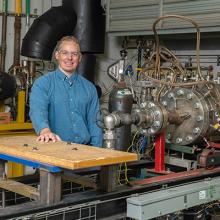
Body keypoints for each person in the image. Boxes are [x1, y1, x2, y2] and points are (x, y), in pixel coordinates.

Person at [29, 36, 103, 147]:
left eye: (74, 54)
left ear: (80, 57)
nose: (69, 58)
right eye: (65, 53)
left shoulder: (89, 88)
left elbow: (95, 124)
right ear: (57, 55)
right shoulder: (43, 84)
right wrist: (45, 131)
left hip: (84, 150)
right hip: (54, 150)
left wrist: (97, 153)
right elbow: (38, 111)